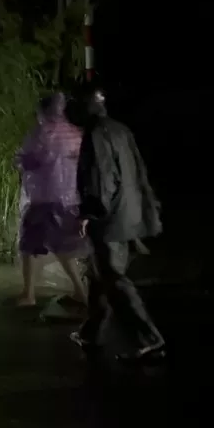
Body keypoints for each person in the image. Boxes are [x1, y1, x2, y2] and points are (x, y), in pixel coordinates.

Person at [72, 86, 166, 361]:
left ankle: (149, 338)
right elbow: (138, 170)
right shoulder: (120, 129)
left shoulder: (97, 133)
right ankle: (91, 331)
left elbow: (103, 177)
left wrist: (90, 213)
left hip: (110, 218)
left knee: (113, 278)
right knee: (99, 275)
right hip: (126, 212)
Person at [14, 93, 89, 306]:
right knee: (64, 248)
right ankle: (81, 292)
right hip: (69, 200)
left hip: (42, 199)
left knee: (29, 246)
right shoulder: (75, 133)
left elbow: (25, 161)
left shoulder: (40, 134)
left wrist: (23, 162)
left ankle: (28, 294)